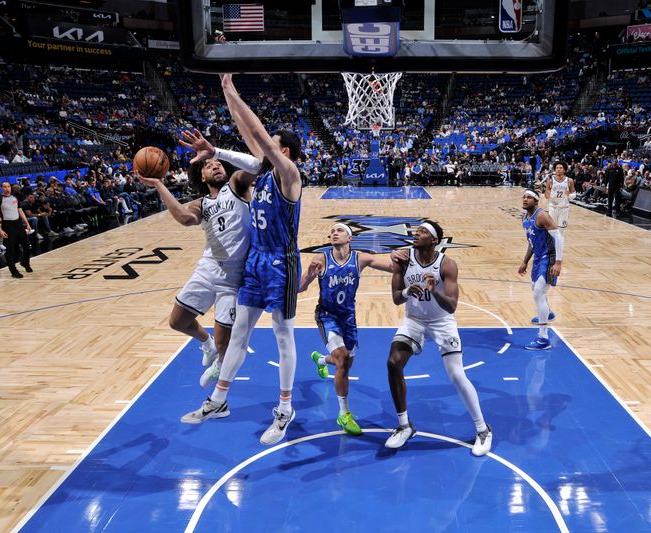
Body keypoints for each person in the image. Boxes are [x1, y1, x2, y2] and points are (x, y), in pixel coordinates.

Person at [181, 74, 303, 447]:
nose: (263, 150)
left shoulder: (289, 175)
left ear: (283, 153)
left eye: (272, 147)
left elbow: (259, 135)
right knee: (240, 334)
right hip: (256, 262)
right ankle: (218, 400)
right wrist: (226, 96)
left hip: (282, 263)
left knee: (283, 336)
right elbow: (249, 135)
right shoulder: (261, 173)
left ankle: (285, 409)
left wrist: (234, 93)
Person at [137, 154, 257, 392]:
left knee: (226, 342)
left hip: (234, 277)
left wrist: (217, 151)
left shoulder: (237, 186)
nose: (215, 166)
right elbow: (184, 218)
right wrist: (159, 184)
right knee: (177, 321)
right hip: (208, 268)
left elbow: (255, 165)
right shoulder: (201, 204)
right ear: (202, 176)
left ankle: (220, 364)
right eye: (209, 166)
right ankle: (206, 344)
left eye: (218, 164)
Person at [384, 220, 492, 456]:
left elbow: (452, 306)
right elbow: (395, 298)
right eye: (417, 230)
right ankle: (404, 426)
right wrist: (405, 291)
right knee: (393, 363)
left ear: (434, 240)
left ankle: (483, 430)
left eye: (422, 231)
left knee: (456, 374)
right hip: (414, 319)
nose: (416, 233)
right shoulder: (403, 260)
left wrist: (435, 292)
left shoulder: (447, 264)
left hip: (442, 322)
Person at [298, 223, 399, 436]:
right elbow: (300, 287)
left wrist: (400, 258)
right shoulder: (321, 259)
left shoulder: (360, 258)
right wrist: (308, 273)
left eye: (340, 230)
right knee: (343, 358)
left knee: (345, 363)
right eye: (332, 230)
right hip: (327, 316)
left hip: (348, 318)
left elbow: (391, 267)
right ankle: (344, 414)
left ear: (350, 238)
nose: (334, 232)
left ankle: (321, 360)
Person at [518, 190, 565, 351]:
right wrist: (525, 261)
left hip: (550, 257)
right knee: (536, 289)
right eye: (524, 197)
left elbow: (559, 237)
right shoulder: (525, 218)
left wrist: (558, 262)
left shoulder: (541, 216)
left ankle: (543, 337)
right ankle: (548, 312)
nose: (525, 199)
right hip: (538, 257)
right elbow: (532, 242)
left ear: (536, 201)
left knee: (538, 292)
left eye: (529, 197)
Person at [0, 181, 33, 278]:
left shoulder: (15, 197)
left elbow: (20, 211)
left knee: (27, 246)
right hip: (8, 225)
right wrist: (0, 230)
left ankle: (25, 262)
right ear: (1, 188)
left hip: (18, 224)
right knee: (10, 250)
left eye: (8, 186)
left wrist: (27, 223)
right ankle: (13, 271)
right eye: (4, 187)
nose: (7, 188)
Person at [545, 161, 575, 231]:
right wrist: (548, 193)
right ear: (555, 170)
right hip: (553, 208)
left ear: (564, 170)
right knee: (552, 230)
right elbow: (546, 196)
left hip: (564, 208)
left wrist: (569, 195)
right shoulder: (550, 181)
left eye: (560, 168)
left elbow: (574, 194)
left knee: (561, 230)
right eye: (557, 168)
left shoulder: (569, 181)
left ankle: (559, 242)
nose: (558, 169)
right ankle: (552, 242)